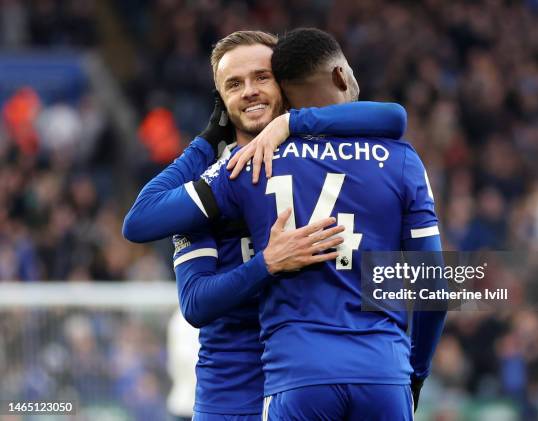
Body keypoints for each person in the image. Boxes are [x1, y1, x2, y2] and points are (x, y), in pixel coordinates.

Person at [123, 30, 408, 421]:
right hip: (233, 399)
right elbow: (193, 300)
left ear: (285, 84)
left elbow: (394, 116)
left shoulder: (326, 161)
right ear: (220, 101)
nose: (250, 91)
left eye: (261, 77)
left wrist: (291, 123)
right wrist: (267, 264)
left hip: (315, 389)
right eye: (234, 84)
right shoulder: (218, 180)